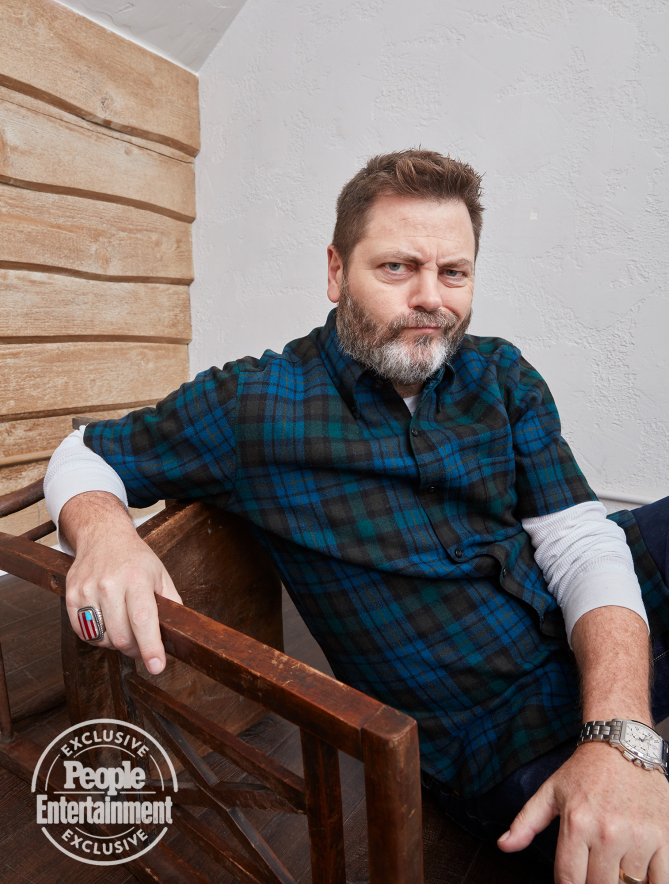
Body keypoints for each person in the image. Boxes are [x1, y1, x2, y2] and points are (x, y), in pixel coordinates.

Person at [45, 150, 669, 882]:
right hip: (495, 729)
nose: (431, 298)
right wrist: (106, 534)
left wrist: (620, 738)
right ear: (336, 272)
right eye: (397, 268)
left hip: (574, 623)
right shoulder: (256, 405)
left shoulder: (500, 373)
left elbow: (579, 542)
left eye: (454, 273)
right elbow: (84, 452)